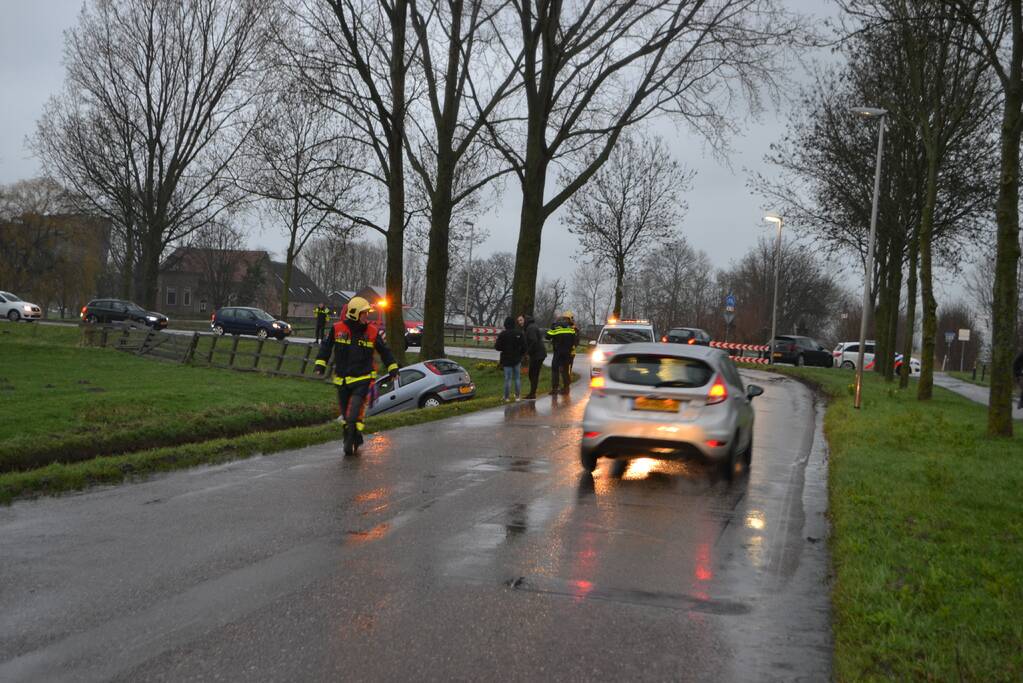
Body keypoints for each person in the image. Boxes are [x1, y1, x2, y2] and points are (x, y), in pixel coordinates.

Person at [314, 296, 399, 455]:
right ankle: (353, 435)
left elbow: (385, 351)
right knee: (346, 415)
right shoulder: (337, 329)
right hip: (342, 380)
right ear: (354, 314)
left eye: (367, 313)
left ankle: (353, 433)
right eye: (364, 313)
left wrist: (393, 368)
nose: (367, 316)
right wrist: (320, 364)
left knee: (354, 412)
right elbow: (326, 347)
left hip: (363, 379)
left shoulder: (372, 332)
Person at [494, 316, 527, 401]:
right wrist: (521, 355)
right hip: (517, 358)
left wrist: (504, 348)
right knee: (517, 378)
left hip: (506, 359)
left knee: (507, 379)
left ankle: (506, 397)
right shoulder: (519, 333)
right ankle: (517, 396)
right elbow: (524, 346)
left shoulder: (502, 334)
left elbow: (497, 347)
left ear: (505, 324)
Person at [546, 312, 578, 395]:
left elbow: (547, 336)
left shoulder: (555, 327)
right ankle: (566, 388)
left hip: (558, 352)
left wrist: (552, 328)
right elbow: (574, 340)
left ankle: (554, 389)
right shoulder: (571, 329)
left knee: (555, 370)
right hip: (567, 352)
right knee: (565, 370)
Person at [522, 314, 546, 399]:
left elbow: (533, 341)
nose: (521, 323)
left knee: (533, 373)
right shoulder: (532, 326)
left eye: (522, 321)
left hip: (537, 354)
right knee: (533, 373)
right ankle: (533, 392)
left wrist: (528, 353)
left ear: (526, 321)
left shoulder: (530, 328)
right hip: (539, 353)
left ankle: (532, 393)